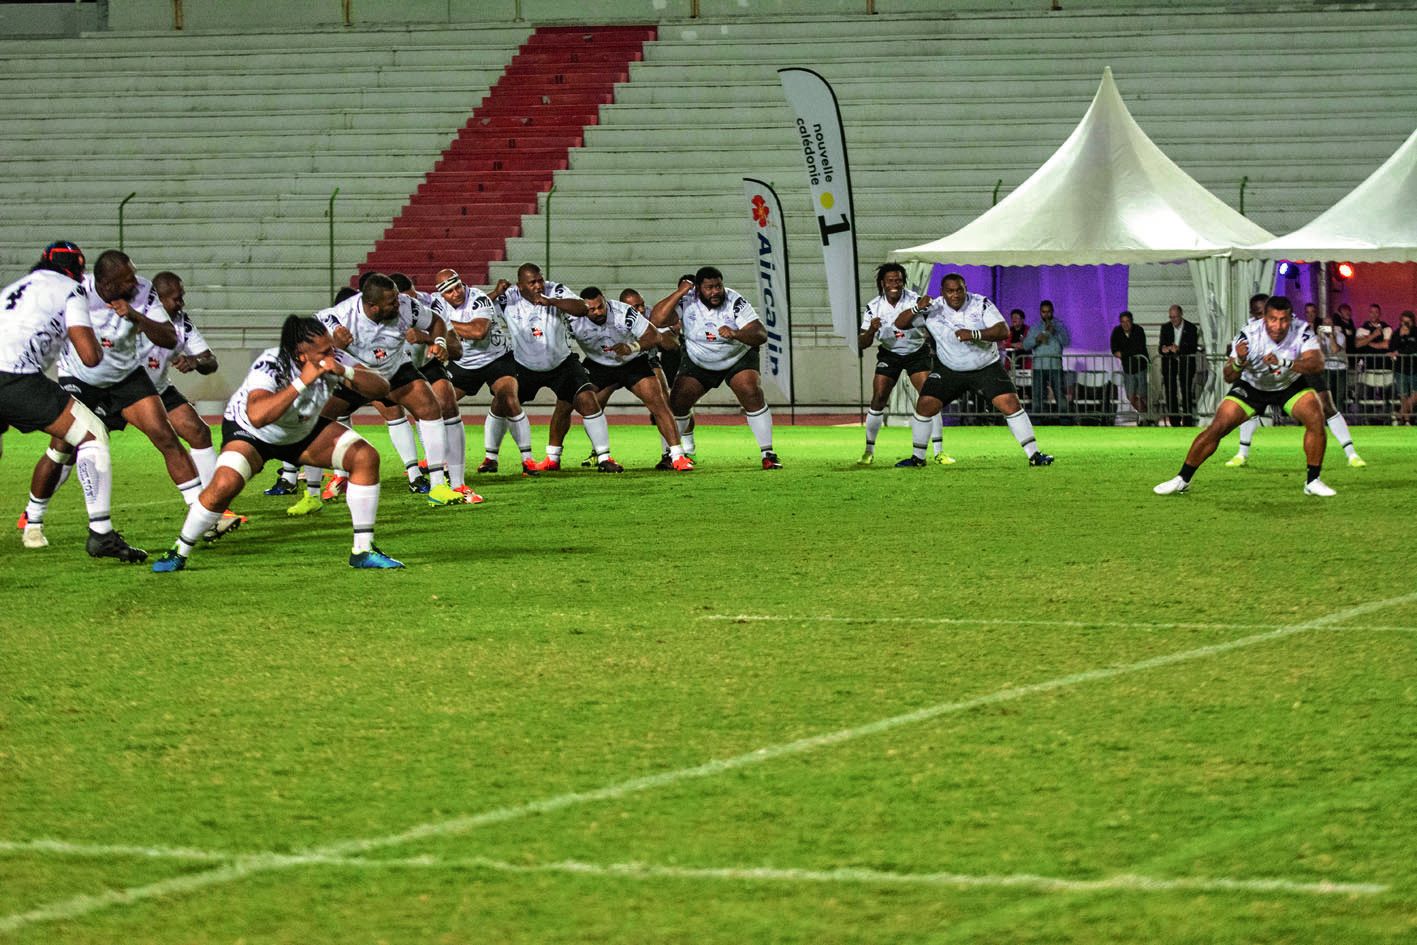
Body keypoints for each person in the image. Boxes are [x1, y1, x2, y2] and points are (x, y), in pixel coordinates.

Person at [153, 315, 402, 571]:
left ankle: (363, 550)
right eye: (324, 351)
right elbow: (258, 416)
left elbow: (382, 387)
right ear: (301, 354)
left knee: (365, 457)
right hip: (251, 433)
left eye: (331, 348)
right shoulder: (271, 362)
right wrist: (302, 382)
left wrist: (345, 371)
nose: (331, 354)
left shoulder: (334, 359)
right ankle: (179, 550)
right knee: (224, 485)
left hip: (299, 430)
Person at [23, 251, 203, 536]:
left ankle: (201, 514)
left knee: (164, 435)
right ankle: (33, 518)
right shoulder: (77, 294)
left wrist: (136, 316)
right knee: (61, 450)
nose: (136, 283)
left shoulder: (143, 291)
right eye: (127, 279)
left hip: (125, 375)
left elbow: (169, 337)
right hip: (81, 377)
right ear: (107, 284)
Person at [1, 241, 146, 561]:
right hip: (14, 375)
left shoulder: (18, 285)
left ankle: (35, 519)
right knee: (92, 433)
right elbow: (90, 356)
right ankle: (101, 533)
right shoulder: (71, 289)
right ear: (79, 271)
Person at [292, 273, 466, 513]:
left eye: (397, 298)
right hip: (355, 376)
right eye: (391, 302)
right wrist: (333, 345)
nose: (398, 304)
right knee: (313, 420)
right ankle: (311, 495)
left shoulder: (407, 307)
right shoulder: (338, 318)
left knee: (430, 407)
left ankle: (438, 486)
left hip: (394, 371)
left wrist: (440, 342)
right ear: (372, 306)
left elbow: (436, 321)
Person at [1155, 296, 1335, 497]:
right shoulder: (1249, 334)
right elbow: (1228, 376)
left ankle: (1313, 481)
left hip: (1288, 384)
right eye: (1273, 319)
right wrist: (1239, 361)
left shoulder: (1301, 331)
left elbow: (1317, 365)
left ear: (1290, 319)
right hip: (1252, 386)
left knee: (1316, 418)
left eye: (1284, 320)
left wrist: (1284, 363)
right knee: (1217, 428)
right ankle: (1182, 479)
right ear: (1264, 318)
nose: (1278, 325)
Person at [891, 272, 1053, 468]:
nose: (956, 295)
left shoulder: (981, 303)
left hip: (985, 366)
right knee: (925, 405)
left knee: (1010, 404)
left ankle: (1034, 455)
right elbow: (899, 323)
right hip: (950, 368)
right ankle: (918, 458)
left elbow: (1003, 330)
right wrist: (917, 307)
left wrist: (975, 334)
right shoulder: (932, 308)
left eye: (959, 290)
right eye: (950, 291)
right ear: (942, 292)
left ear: (965, 288)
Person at [141, 272, 247, 540]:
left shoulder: (181, 323)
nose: (181, 304)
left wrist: (195, 362)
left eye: (182, 297)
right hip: (122, 390)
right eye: (176, 299)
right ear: (158, 298)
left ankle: (215, 505)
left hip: (159, 389)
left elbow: (210, 361)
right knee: (70, 447)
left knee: (198, 431)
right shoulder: (137, 318)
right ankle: (34, 513)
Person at [539, 286, 693, 472]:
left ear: (605, 301)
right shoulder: (573, 319)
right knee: (564, 402)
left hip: (632, 362)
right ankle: (552, 458)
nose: (597, 312)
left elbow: (652, 335)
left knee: (659, 403)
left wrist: (632, 347)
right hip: (598, 366)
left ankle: (677, 456)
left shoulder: (623, 312)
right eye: (591, 309)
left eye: (600, 307)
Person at [494, 263, 623, 472]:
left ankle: (603, 457)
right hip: (524, 364)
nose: (538, 285)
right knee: (500, 404)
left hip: (561, 362)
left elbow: (582, 308)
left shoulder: (556, 290)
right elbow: (480, 308)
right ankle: (491, 457)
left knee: (588, 401)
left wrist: (551, 301)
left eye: (540, 280)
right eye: (532, 282)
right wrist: (494, 292)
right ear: (520, 285)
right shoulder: (508, 296)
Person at [651, 266, 781, 469]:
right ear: (698, 289)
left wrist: (737, 334)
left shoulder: (734, 301)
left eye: (718, 286)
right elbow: (656, 320)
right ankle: (672, 454)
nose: (715, 292)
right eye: (709, 287)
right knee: (677, 403)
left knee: (751, 391)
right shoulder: (686, 300)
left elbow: (760, 334)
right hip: (699, 359)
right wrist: (679, 292)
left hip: (736, 356)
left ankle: (768, 453)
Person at [1228, 298, 1365, 469]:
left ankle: (1351, 453)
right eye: (1259, 313)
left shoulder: (1295, 324)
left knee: (1327, 406)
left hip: (1297, 369)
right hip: (1263, 374)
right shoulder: (1249, 329)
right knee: (1249, 408)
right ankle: (1242, 453)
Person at [430, 269, 539, 478]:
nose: (457, 293)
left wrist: (440, 324)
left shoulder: (478, 298)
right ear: (441, 294)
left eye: (458, 287)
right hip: (462, 362)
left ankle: (528, 460)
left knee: (508, 398)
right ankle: (439, 462)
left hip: (496, 358)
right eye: (450, 291)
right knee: (437, 406)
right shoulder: (434, 303)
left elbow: (478, 332)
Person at [856, 264, 951, 466]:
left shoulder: (915, 300)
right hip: (890, 353)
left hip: (916, 351)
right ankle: (868, 451)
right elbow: (862, 343)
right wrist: (871, 331)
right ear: (882, 283)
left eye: (898, 280)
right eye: (890, 280)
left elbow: (936, 319)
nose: (895, 284)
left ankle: (939, 451)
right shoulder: (873, 306)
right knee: (879, 397)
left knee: (930, 398)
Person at [1020, 299, 1069, 421]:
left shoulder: (1059, 325)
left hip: (1055, 365)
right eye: (1043, 312)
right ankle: (1038, 420)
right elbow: (1026, 345)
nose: (1046, 315)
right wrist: (1037, 340)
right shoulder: (1036, 327)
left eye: (1048, 312)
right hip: (1038, 366)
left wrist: (1055, 332)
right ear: (1040, 312)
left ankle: (1065, 420)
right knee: (1038, 396)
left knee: (1060, 395)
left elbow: (1066, 342)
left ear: (1052, 312)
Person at [1158, 304, 1201, 427]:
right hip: (1169, 364)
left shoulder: (1191, 328)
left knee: (1186, 391)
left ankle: (1187, 420)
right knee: (1170, 392)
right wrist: (1164, 349)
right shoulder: (1165, 327)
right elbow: (1160, 347)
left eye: (1175, 317)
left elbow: (1192, 347)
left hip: (1185, 364)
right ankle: (1174, 421)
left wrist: (1179, 349)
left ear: (1181, 315)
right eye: (1171, 317)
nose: (1173, 320)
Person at [1109, 310, 1149, 422]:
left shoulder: (1139, 330)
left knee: (1142, 395)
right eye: (1123, 322)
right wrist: (1126, 353)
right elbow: (1114, 349)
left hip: (1140, 367)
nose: (1125, 324)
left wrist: (1124, 353)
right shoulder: (1116, 332)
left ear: (1132, 321)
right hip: (1128, 369)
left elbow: (1138, 348)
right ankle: (1146, 415)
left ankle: (1145, 418)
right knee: (1130, 396)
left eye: (1128, 321)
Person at [1391, 309, 1417, 424]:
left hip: (1415, 368)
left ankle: (1399, 414)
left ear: (1413, 321)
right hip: (1400, 368)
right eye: (1403, 322)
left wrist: (1400, 351)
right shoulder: (1397, 333)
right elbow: (1391, 347)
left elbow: (1414, 348)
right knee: (1403, 395)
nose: (1405, 324)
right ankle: (1406, 420)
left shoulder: (1416, 332)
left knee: (1415, 394)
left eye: (1408, 322)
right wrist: (1400, 336)